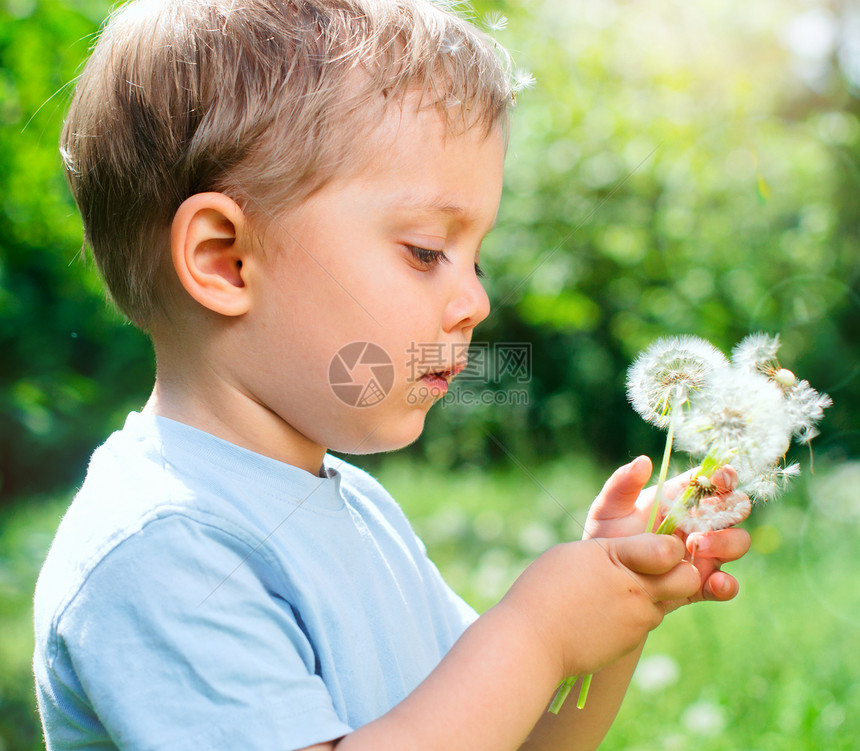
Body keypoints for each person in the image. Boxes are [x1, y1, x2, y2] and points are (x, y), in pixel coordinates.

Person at [33, 1, 751, 749]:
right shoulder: (161, 553)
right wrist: (539, 632)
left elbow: (513, 738)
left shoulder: (358, 508)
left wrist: (608, 598)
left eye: (477, 259)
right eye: (425, 250)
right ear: (225, 260)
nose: (475, 300)